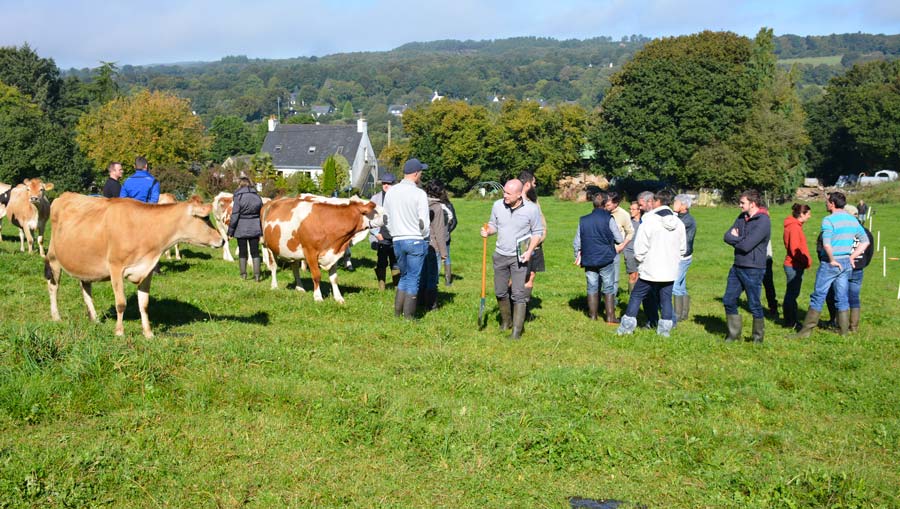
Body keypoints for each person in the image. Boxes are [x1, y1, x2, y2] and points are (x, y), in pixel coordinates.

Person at [795, 192, 869, 337]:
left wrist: (832, 259)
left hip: (830, 263)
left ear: (833, 204)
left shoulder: (828, 220)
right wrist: (852, 257)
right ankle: (843, 332)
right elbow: (865, 241)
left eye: (827, 201)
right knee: (842, 297)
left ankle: (805, 331)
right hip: (846, 263)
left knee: (818, 295)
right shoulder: (852, 220)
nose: (826, 203)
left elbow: (827, 244)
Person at [616, 189, 686, 337]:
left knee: (636, 295)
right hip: (669, 269)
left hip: (650, 268)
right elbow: (682, 248)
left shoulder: (649, 220)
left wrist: (640, 260)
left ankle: (626, 328)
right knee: (666, 298)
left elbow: (640, 247)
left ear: (657, 201)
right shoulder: (679, 223)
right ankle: (664, 331)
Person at [481, 179, 544, 339]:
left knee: (518, 294)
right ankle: (506, 321)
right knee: (500, 291)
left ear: (519, 194)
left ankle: (516, 331)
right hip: (500, 255)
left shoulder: (531, 209)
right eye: (504, 192)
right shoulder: (497, 205)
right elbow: (494, 224)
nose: (505, 195)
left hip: (520, 257)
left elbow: (537, 232)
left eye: (508, 193)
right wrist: (488, 231)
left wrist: (530, 251)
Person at [384, 158, 430, 319]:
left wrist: (394, 232)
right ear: (416, 173)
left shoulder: (391, 192)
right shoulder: (419, 193)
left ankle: (397, 313)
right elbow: (424, 222)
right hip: (415, 239)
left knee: (404, 276)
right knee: (413, 279)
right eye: (421, 172)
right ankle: (409, 316)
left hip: (397, 240)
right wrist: (424, 238)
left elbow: (386, 218)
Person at [722, 189, 771, 343]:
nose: (740, 205)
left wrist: (738, 238)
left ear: (753, 204)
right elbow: (726, 236)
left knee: (754, 304)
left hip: (754, 268)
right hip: (737, 266)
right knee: (728, 300)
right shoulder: (741, 217)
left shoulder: (763, 221)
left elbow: (746, 246)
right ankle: (733, 335)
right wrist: (740, 239)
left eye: (743, 203)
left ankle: (758, 338)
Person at [821, 204, 874, 333]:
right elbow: (869, 251)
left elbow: (825, 246)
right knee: (854, 297)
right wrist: (862, 263)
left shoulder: (841, 229)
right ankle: (853, 326)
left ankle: (839, 324)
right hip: (858, 268)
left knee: (840, 296)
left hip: (843, 266)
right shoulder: (866, 232)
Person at [574, 189, 623, 322]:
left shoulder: (583, 220)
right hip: (606, 258)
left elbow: (577, 242)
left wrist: (577, 256)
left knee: (592, 286)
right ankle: (610, 317)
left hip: (589, 259)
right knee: (608, 286)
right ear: (605, 203)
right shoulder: (609, 218)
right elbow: (619, 238)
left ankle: (593, 316)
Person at [604, 191, 634, 321]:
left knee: (614, 279)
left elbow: (630, 232)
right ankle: (601, 303)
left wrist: (622, 245)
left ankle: (611, 305)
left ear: (616, 203)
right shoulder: (602, 211)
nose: (606, 205)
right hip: (601, 250)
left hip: (615, 251)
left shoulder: (623, 215)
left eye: (609, 204)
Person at [782, 203, 813, 328]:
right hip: (794, 265)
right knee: (792, 294)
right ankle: (791, 322)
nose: (810, 217)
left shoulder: (795, 226)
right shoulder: (794, 227)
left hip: (794, 265)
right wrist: (806, 261)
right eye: (808, 214)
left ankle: (790, 320)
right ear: (802, 214)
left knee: (791, 293)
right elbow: (795, 250)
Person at [227, 177, 264, 281]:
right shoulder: (257, 197)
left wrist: (230, 231)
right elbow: (261, 213)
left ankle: (243, 275)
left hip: (241, 227)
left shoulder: (238, 197)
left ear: (240, 184)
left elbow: (235, 215)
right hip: (255, 227)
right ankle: (257, 276)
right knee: (255, 252)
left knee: (243, 252)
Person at [421, 180, 449, 310]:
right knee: (433, 276)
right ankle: (431, 304)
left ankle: (419, 301)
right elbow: (439, 231)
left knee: (422, 274)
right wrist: (443, 252)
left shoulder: (420, 203)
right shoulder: (437, 207)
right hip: (433, 246)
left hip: (420, 243)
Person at [518, 170, 547, 298]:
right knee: (517, 277)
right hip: (521, 247)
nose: (535, 186)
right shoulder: (516, 199)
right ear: (528, 184)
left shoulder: (535, 200)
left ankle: (525, 306)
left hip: (536, 245)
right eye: (534, 183)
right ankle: (515, 306)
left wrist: (541, 237)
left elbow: (541, 221)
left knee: (531, 276)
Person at [369, 172, 399, 290]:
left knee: (395, 262)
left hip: (396, 235)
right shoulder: (375, 199)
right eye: (384, 183)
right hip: (381, 235)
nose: (386, 185)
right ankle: (382, 287)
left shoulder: (399, 198)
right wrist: (376, 234)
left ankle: (397, 286)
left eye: (389, 183)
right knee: (381, 262)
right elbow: (370, 218)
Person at [672, 194, 697, 323]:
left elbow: (673, 227)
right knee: (681, 285)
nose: (674, 204)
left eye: (676, 203)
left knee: (675, 285)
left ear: (684, 206)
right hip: (681, 255)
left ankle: (676, 315)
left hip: (683, 256)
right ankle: (683, 313)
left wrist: (674, 213)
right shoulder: (683, 218)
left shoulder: (687, 220)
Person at [622, 201, 642, 293]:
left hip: (641, 252)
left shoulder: (645, 222)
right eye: (630, 209)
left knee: (639, 276)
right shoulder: (628, 222)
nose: (631, 211)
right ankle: (631, 295)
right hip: (629, 251)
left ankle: (638, 295)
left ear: (639, 210)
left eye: (633, 209)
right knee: (632, 275)